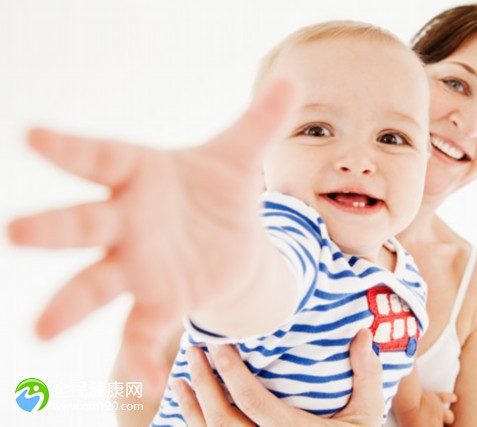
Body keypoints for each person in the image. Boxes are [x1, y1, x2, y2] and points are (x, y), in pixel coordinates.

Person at [9, 20, 434, 426]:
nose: (358, 161)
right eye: (317, 130)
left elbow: (392, 357)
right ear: (261, 164)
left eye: (392, 138)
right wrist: (227, 267)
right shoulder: (290, 231)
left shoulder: (404, 272)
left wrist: (417, 407)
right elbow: (261, 290)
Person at [155, 3, 477, 426]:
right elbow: (127, 387)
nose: (471, 123)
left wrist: (416, 410)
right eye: (456, 83)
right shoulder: (279, 225)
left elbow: (393, 352)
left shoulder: (414, 278)